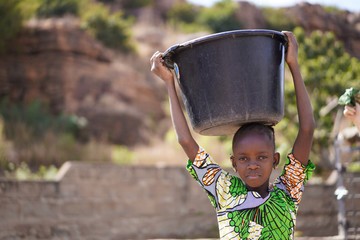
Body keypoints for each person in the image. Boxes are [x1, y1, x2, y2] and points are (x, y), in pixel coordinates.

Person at [150, 31, 315, 239]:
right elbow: (185, 140)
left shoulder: (288, 193)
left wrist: (293, 64)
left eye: (261, 157)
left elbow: (307, 129)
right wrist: (169, 83)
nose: (252, 164)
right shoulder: (224, 190)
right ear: (233, 162)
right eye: (243, 158)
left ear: (275, 160)